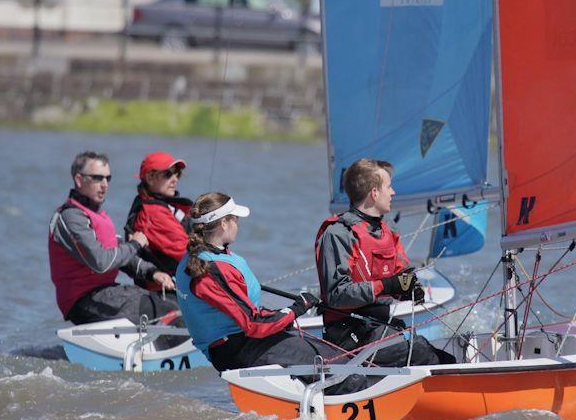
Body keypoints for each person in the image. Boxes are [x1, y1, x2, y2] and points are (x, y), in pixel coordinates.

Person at [175, 192, 363, 384]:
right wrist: (295, 309)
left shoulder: (197, 257)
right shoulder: (212, 269)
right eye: (235, 219)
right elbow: (254, 323)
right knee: (342, 366)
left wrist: (281, 318)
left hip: (243, 342)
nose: (238, 224)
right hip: (238, 349)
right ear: (224, 224)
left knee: (335, 354)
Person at [315, 158, 455, 366]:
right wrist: (386, 286)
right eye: (388, 187)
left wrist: (409, 289)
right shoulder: (338, 234)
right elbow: (336, 294)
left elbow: (401, 275)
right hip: (349, 333)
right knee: (423, 354)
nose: (393, 192)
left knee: (442, 356)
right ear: (374, 193)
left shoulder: (387, 232)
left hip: (379, 325)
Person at [48, 151, 178, 326]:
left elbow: (123, 258)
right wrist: (135, 244)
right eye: (97, 178)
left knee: (174, 303)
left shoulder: (99, 215)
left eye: (107, 179)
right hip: (83, 301)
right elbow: (100, 263)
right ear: (79, 180)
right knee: (161, 309)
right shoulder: (71, 217)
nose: (104, 185)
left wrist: (152, 272)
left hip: (106, 293)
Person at [125, 151, 194, 279]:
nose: (175, 180)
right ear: (150, 178)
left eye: (177, 174)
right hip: (165, 289)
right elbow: (188, 254)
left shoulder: (161, 205)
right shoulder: (153, 215)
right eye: (168, 174)